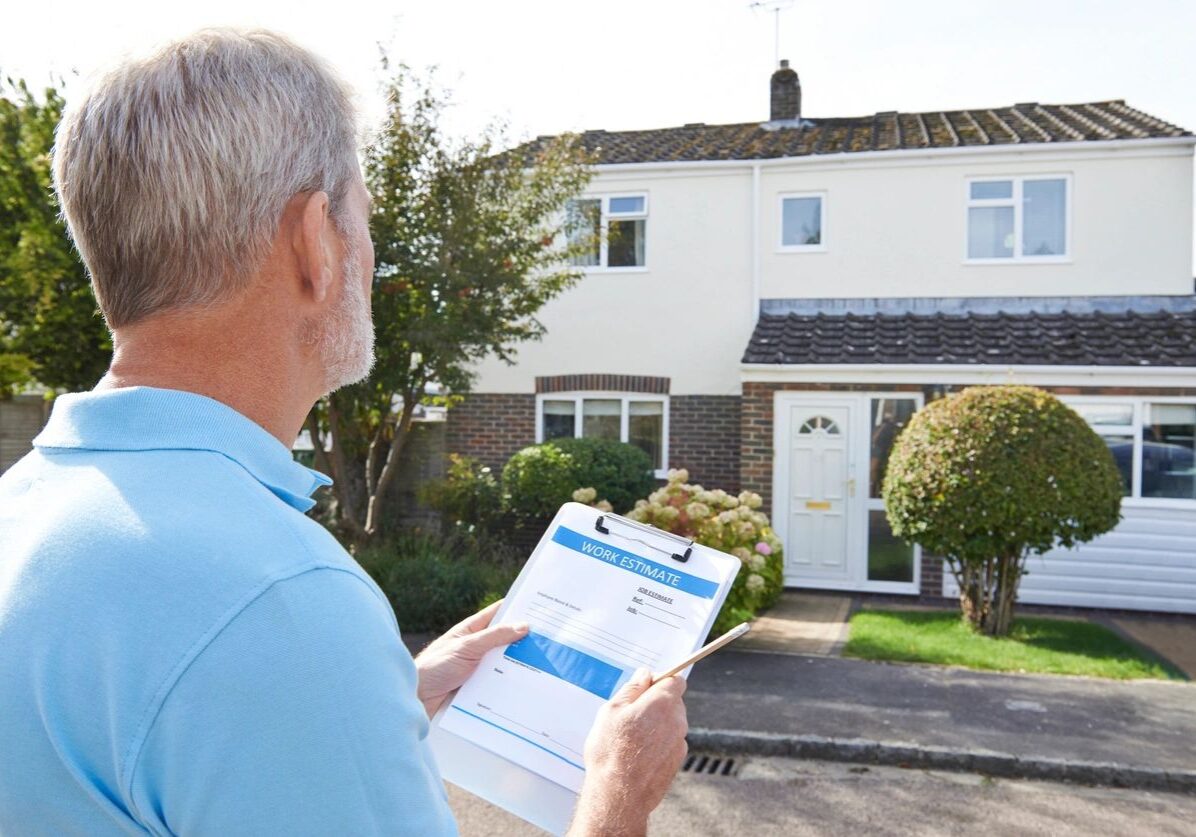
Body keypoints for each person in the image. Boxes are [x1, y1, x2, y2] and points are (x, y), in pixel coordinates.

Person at [0, 27, 688, 835]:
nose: (372, 256)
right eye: (363, 221)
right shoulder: (280, 604)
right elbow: (248, 656)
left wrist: (380, 697)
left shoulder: (24, 508)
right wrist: (617, 792)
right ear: (315, 241)